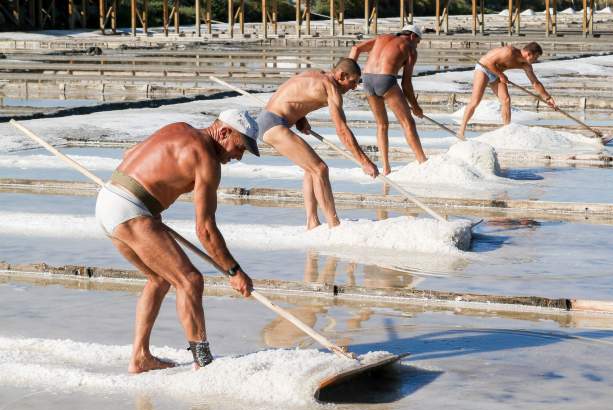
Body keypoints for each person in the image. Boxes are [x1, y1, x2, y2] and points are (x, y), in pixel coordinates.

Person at [94, 110, 260, 373]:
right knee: (190, 280)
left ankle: (139, 357)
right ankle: (203, 363)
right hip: (130, 210)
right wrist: (234, 270)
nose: (238, 156)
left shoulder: (179, 127)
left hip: (109, 199)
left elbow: (130, 154)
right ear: (224, 132)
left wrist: (151, 208)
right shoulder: (207, 160)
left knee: (159, 279)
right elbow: (205, 229)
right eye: (239, 147)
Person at [257, 58, 378, 230]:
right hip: (273, 123)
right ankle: (333, 224)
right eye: (352, 82)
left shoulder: (317, 75)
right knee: (320, 168)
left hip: (271, 119)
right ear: (342, 75)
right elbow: (342, 130)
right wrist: (364, 161)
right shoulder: (331, 89)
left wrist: (300, 117)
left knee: (311, 169)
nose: (354, 87)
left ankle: (312, 222)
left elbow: (294, 95)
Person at [349, 24, 427, 175]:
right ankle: (423, 161)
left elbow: (356, 49)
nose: (416, 45)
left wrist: (352, 75)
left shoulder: (381, 38)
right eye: (418, 42)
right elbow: (406, 83)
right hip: (386, 80)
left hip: (367, 79)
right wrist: (415, 106)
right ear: (412, 36)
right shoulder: (410, 48)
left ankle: (386, 168)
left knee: (381, 125)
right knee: (407, 122)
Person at [458, 42, 557, 139]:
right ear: (529, 54)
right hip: (484, 69)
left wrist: (548, 98)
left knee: (506, 100)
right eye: (535, 57)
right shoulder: (509, 52)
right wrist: (501, 75)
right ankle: (461, 131)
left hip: (497, 74)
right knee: (475, 101)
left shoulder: (526, 65)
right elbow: (488, 63)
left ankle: (506, 130)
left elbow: (535, 83)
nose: (536, 60)